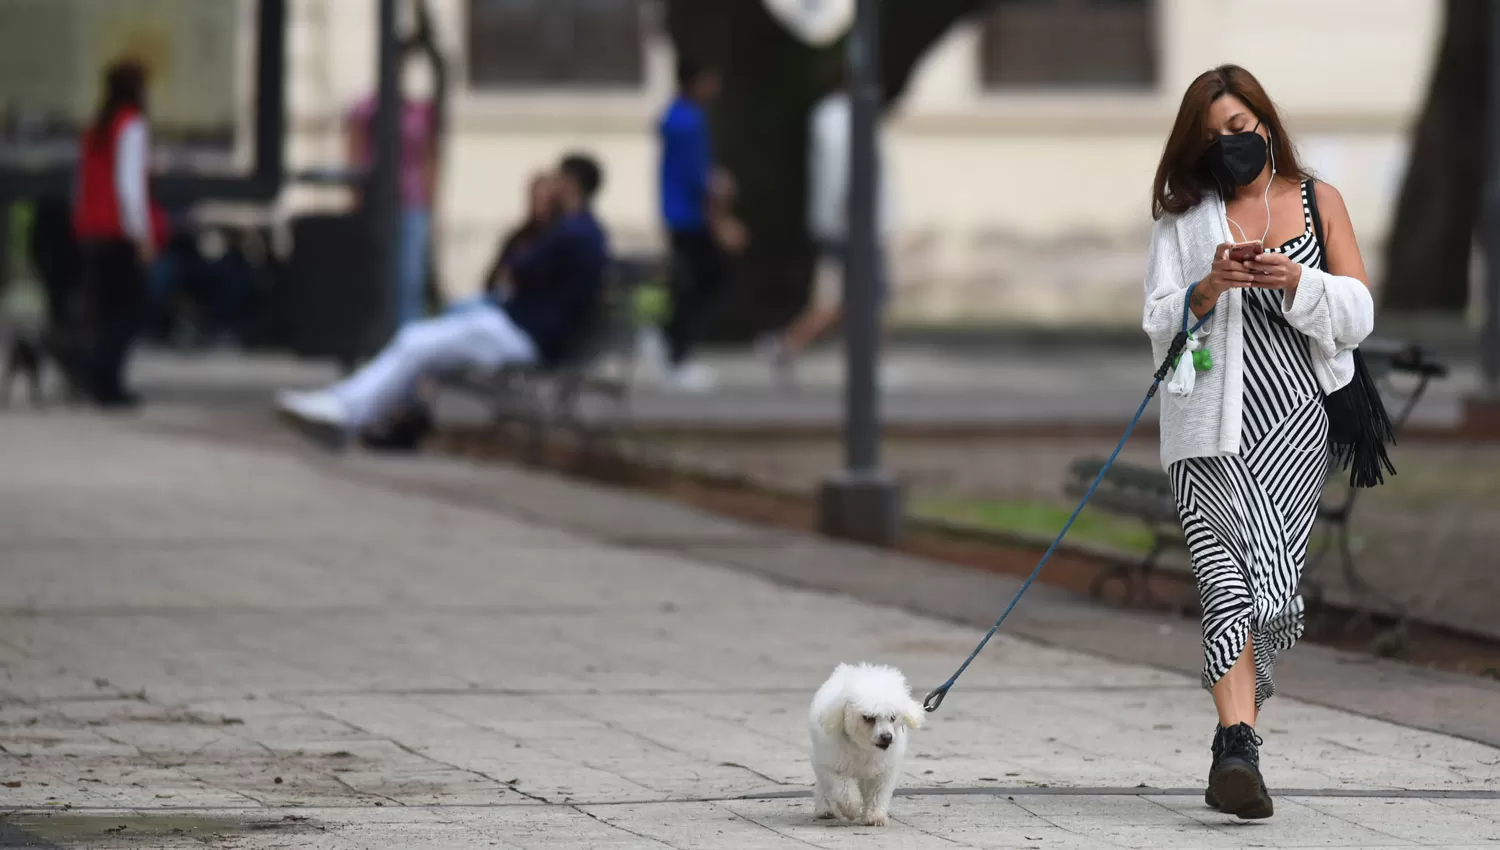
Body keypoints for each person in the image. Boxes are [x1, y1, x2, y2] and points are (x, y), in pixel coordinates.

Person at [1143, 65, 1376, 820]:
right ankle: (1238, 742)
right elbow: (1155, 319)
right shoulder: (1184, 222)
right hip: (1207, 431)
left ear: (1267, 127)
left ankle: (1233, 748)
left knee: (1269, 590)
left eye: (1239, 130)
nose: (1229, 146)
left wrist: (1294, 282)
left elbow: (1359, 312)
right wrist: (1205, 289)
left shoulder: (1318, 201)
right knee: (1224, 582)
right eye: (1212, 138)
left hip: (1294, 425)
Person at [276, 153, 609, 438]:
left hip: (527, 335)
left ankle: (347, 412)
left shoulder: (576, 231)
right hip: (519, 325)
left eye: (560, 179)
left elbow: (520, 266)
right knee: (416, 340)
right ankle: (345, 406)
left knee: (418, 341)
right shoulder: (579, 229)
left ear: (571, 183)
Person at [759, 66, 894, 385]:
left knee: (848, 298)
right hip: (851, 224)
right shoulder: (839, 119)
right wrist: (848, 205)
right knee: (866, 296)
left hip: (851, 222)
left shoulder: (840, 116)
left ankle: (789, 345)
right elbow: (842, 166)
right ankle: (869, 364)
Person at [71, 60, 169, 408]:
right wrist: (142, 236)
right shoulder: (131, 125)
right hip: (118, 231)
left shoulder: (97, 129)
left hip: (92, 230)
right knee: (128, 310)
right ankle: (107, 381)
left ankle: (96, 378)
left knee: (102, 309)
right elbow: (130, 186)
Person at [656, 58, 732, 391]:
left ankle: (672, 343)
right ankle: (675, 349)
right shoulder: (687, 121)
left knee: (692, 281)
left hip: (681, 213)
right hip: (688, 216)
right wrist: (721, 213)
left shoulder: (679, 116)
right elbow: (697, 177)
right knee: (697, 282)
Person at [347, 60, 438, 329]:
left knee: (411, 273)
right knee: (377, 269)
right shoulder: (367, 109)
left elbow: (428, 158)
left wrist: (432, 202)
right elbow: (354, 149)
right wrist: (356, 195)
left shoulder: (418, 111)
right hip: (377, 201)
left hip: (412, 200)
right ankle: (375, 328)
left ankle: (409, 330)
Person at [446, 172, 561, 316]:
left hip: (521, 311)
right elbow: (494, 275)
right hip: (499, 299)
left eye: (545, 201)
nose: (540, 207)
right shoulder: (519, 235)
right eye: (536, 200)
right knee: (458, 308)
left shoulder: (556, 239)